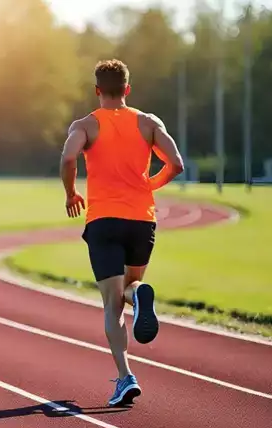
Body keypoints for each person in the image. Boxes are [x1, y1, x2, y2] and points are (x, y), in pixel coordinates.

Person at [59, 59, 184, 407]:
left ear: (98, 90)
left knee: (112, 305)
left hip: (103, 221)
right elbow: (176, 163)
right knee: (131, 286)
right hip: (141, 220)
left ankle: (125, 377)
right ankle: (141, 295)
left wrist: (71, 193)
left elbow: (68, 159)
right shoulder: (148, 122)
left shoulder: (85, 125)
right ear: (127, 90)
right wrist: (150, 185)